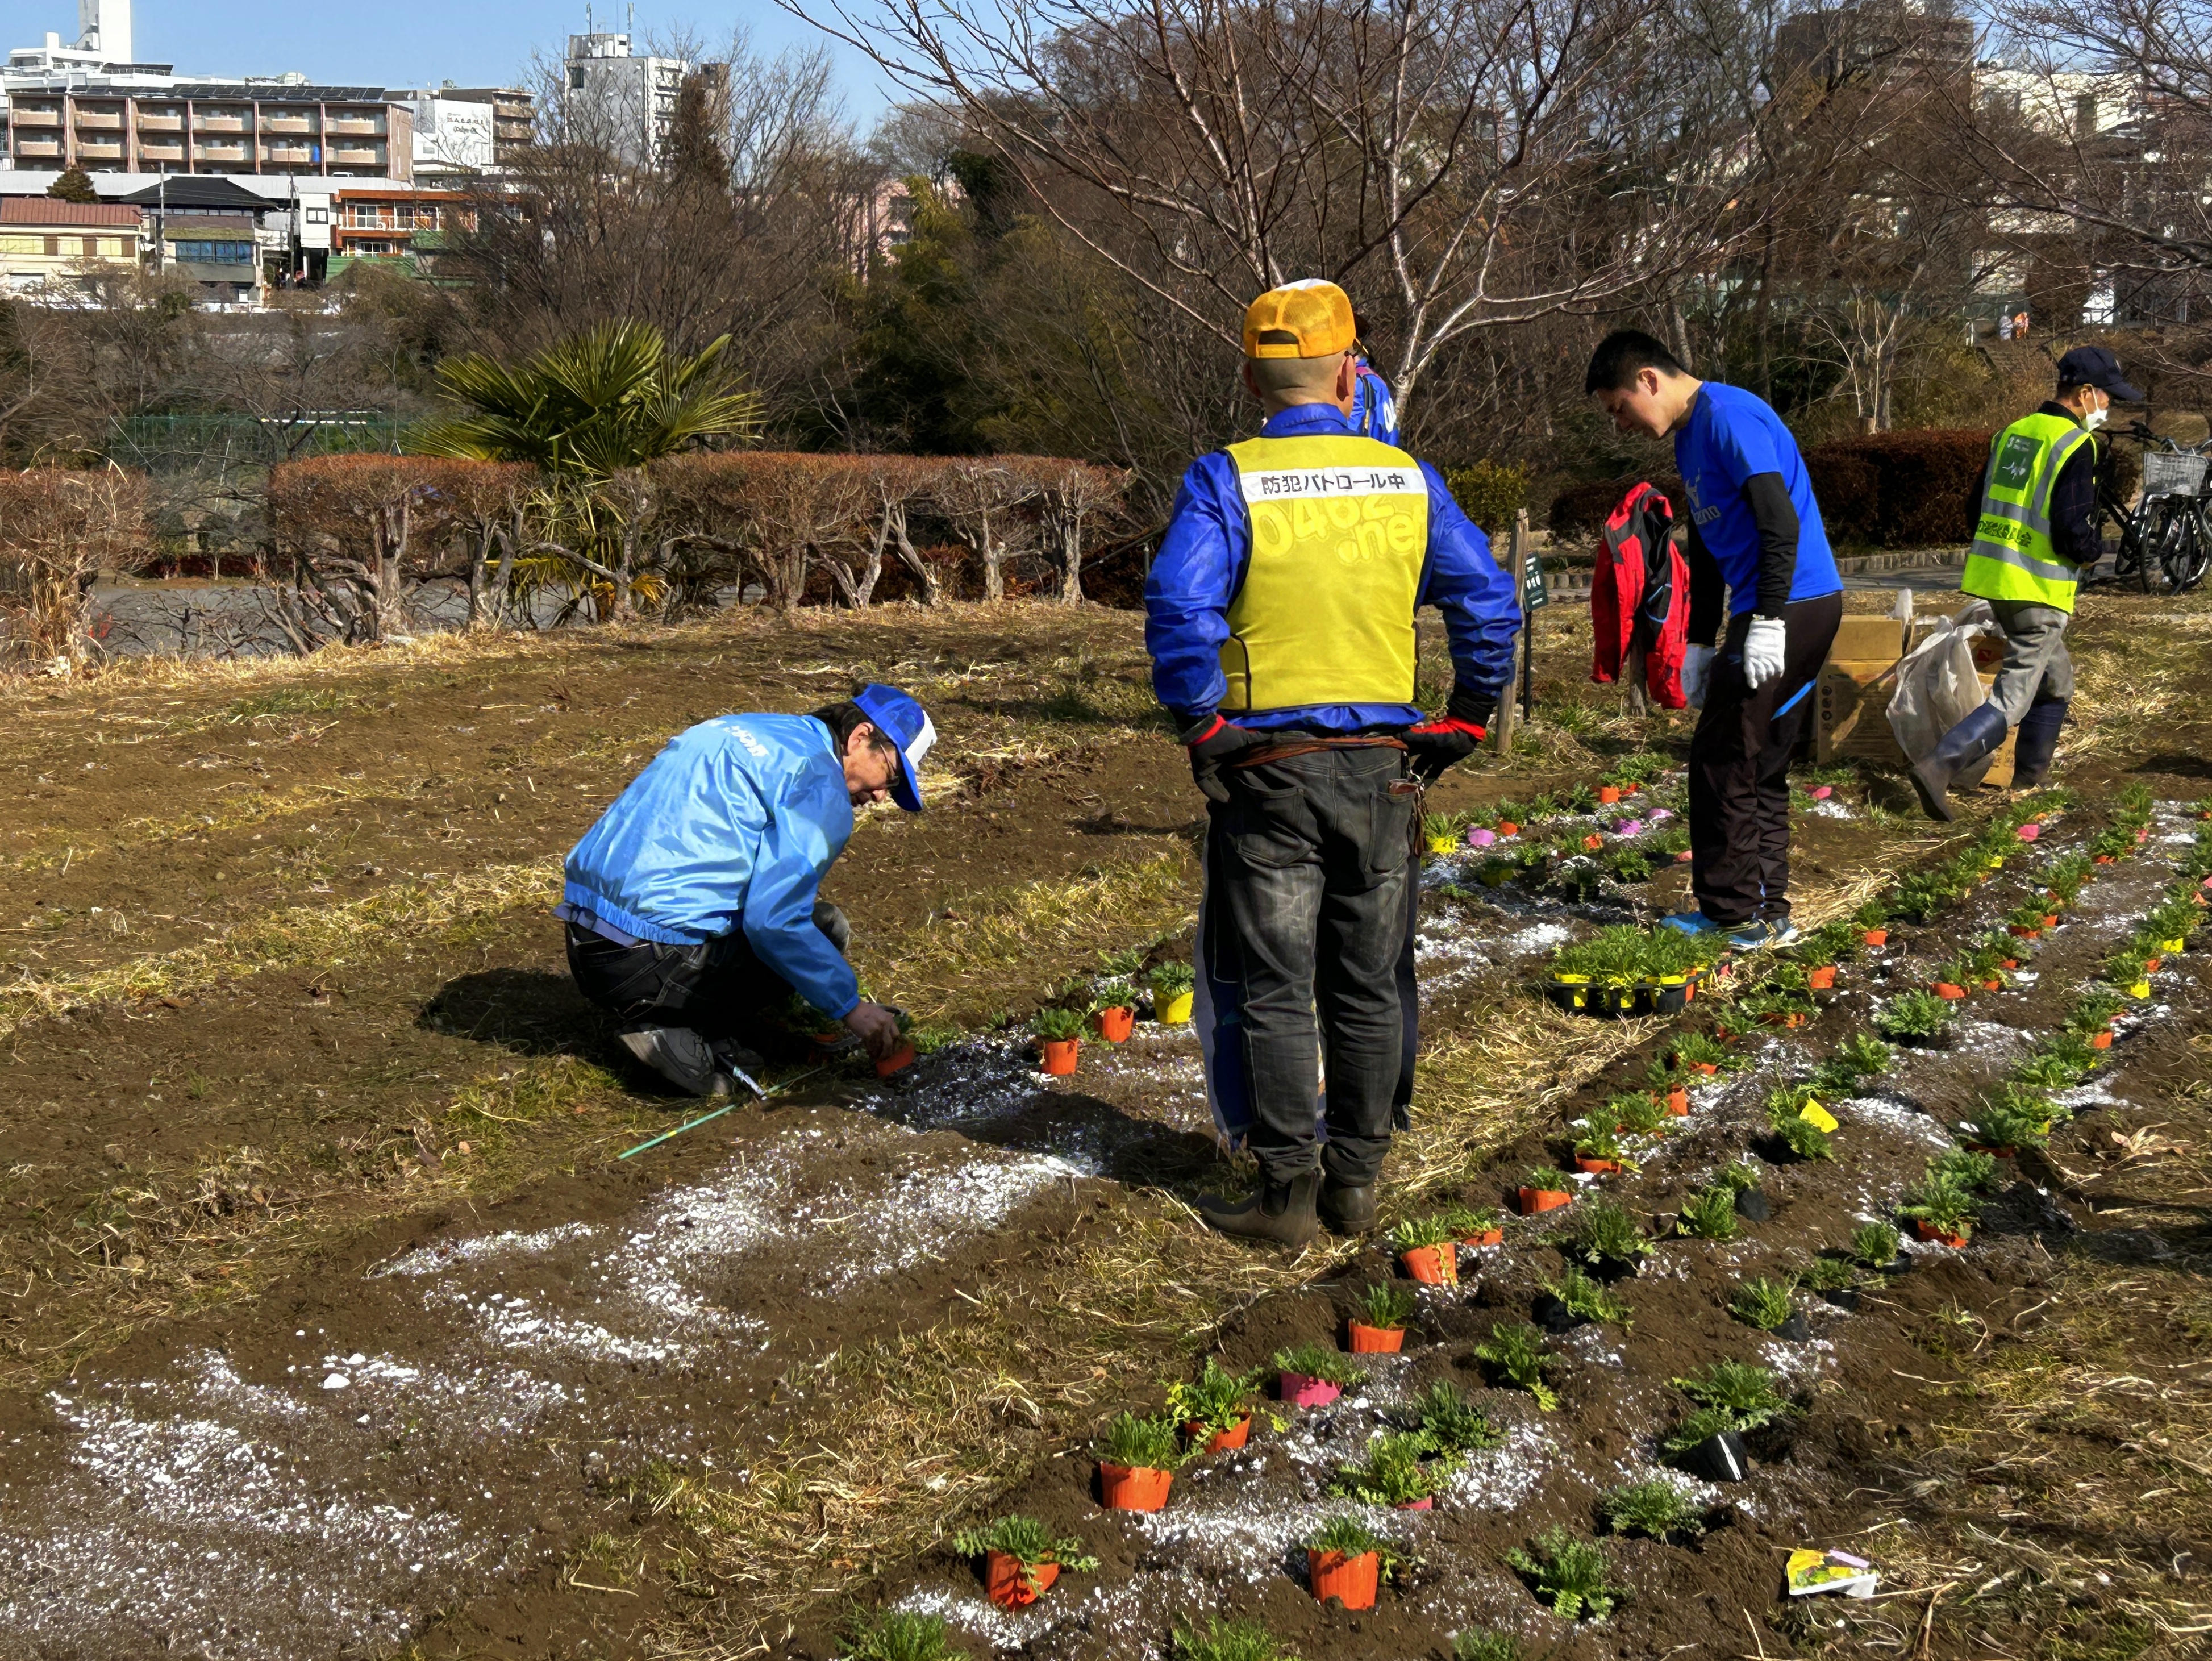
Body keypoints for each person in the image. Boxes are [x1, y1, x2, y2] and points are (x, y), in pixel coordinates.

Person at [1147, 277, 1521, 1247]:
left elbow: (1179, 610)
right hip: (1381, 771)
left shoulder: (1222, 479)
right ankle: (1355, 1183)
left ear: (1248, 375)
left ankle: (1283, 1196)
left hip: (1265, 768)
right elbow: (1485, 604)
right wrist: (1468, 715)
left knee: (1272, 986)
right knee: (1364, 980)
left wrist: (1201, 724)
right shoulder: (1406, 479)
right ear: (1352, 368)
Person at [1586, 329, 1843, 948]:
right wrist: (1700, 639)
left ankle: (1734, 914)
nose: (1620, 425)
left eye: (1619, 408)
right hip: (1776, 606)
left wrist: (1770, 621)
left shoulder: (1728, 415)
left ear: (1648, 379)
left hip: (1793, 603)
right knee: (1758, 759)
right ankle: (1765, 909)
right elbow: (1705, 548)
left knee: (1723, 757)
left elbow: (1777, 522)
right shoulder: (1689, 438)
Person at [557, 683, 934, 1097]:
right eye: (892, 777)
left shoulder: (750, 728)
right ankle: (675, 1029)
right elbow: (774, 921)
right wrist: (851, 1007)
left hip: (584, 939)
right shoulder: (819, 783)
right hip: (647, 961)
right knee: (825, 930)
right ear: (860, 737)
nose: (882, 796)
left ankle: (679, 1012)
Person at [1910, 345, 2140, 818]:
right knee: (2013, 696)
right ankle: (1939, 765)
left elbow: (1975, 510)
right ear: (2083, 394)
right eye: (2106, 396)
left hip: (1998, 583)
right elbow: (2071, 528)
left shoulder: (2010, 434)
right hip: (2042, 590)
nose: (2109, 405)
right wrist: (2094, 553)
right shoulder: (2077, 445)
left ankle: (2028, 780)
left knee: (2056, 681)